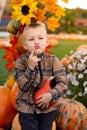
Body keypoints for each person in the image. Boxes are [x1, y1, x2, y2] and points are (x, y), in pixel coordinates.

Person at [14, 22, 68, 130]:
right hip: (27, 109)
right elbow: (22, 86)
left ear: (46, 41)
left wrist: (51, 95)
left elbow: (63, 83)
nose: (36, 42)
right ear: (25, 45)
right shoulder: (21, 61)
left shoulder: (53, 60)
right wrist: (30, 67)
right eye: (31, 39)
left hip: (47, 109)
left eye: (40, 38)